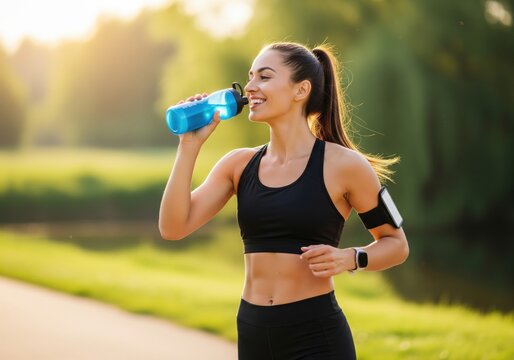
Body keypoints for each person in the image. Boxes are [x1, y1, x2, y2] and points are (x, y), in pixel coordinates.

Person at [159, 41, 409, 360]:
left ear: (300, 90)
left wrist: (352, 257)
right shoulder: (238, 165)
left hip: (315, 335)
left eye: (264, 76)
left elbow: (397, 244)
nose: (250, 87)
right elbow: (172, 227)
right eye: (250, 77)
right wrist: (188, 147)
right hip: (253, 331)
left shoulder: (345, 165)